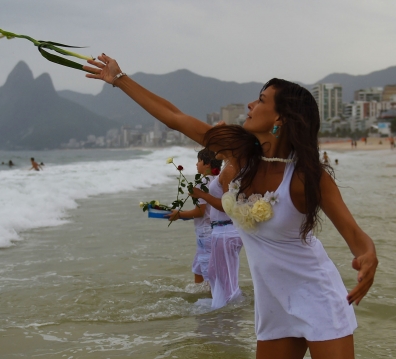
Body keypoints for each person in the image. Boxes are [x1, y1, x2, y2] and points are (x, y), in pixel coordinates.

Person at [85, 54, 377, 358]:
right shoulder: (240, 157)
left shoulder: (305, 178)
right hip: (274, 305)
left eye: (261, 100)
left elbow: (355, 236)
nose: (251, 105)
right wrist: (119, 79)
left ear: (280, 118)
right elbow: (175, 117)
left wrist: (368, 256)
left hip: (318, 297)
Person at [190, 150, 244, 309]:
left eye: (199, 161)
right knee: (216, 276)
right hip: (221, 230)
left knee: (220, 280)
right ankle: (223, 310)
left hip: (223, 231)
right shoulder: (228, 170)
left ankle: (228, 315)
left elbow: (227, 206)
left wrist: (200, 194)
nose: (196, 164)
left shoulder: (227, 170)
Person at [166, 148, 221, 285]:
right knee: (198, 270)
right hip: (214, 230)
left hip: (205, 233)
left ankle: (211, 302)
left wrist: (179, 214)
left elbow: (200, 211)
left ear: (207, 164)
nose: (197, 164)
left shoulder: (202, 182)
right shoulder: (218, 180)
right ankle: (199, 297)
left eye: (199, 161)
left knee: (208, 275)